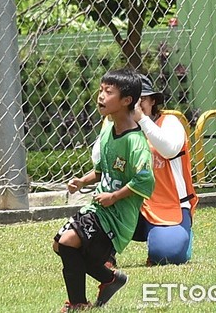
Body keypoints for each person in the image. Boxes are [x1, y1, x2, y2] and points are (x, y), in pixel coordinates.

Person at [53, 68, 155, 312]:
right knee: (61, 244)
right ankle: (109, 279)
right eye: (100, 90)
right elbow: (102, 170)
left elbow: (145, 180)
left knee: (68, 242)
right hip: (98, 208)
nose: (100, 96)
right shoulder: (109, 131)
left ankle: (78, 302)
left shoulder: (135, 142)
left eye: (108, 92)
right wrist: (82, 181)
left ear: (127, 100)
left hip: (116, 217)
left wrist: (114, 196)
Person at [107, 75, 198, 268]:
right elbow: (99, 159)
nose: (135, 106)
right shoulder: (116, 126)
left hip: (168, 206)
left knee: (168, 254)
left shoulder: (170, 122)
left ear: (153, 101)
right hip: (130, 203)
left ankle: (180, 236)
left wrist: (142, 120)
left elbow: (169, 149)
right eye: (129, 101)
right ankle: (106, 254)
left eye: (142, 100)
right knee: (88, 238)